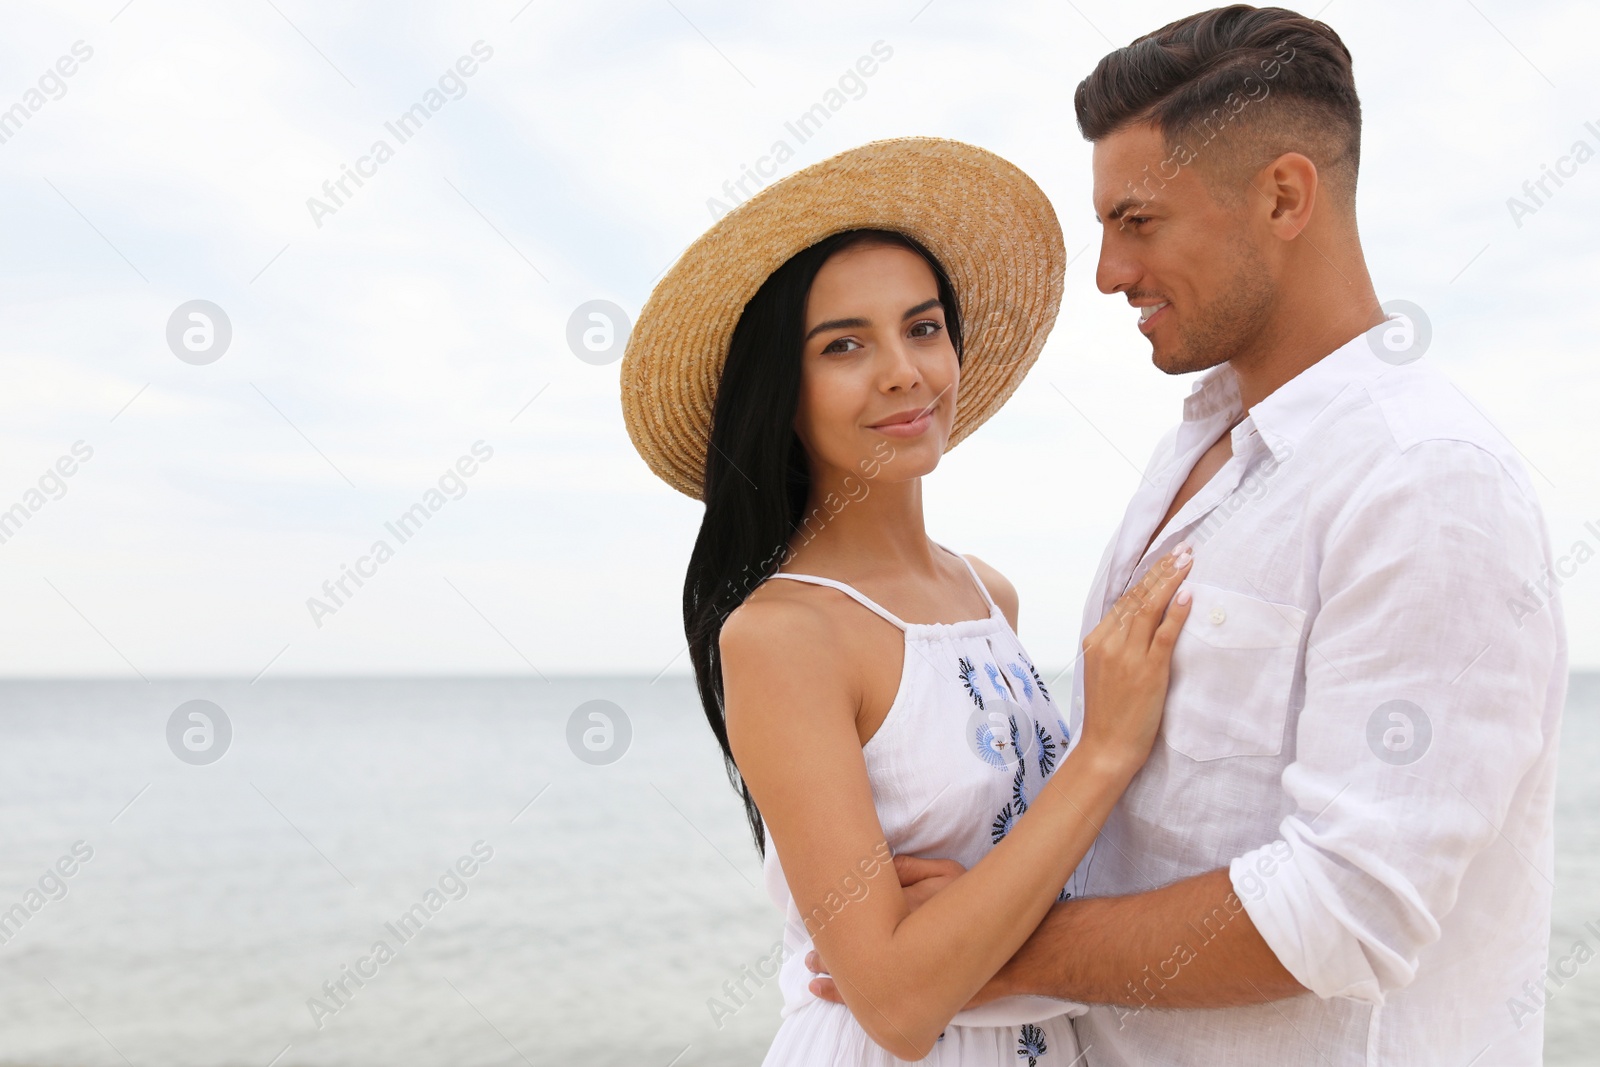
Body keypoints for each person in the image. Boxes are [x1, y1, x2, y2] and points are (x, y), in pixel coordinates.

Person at [803, 7, 1568, 1064]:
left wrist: (992, 946)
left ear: (1283, 195)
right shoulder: (1200, 446)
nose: (1109, 270)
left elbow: (1349, 907)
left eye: (1138, 220)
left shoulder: (1422, 480)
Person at [620, 137, 1194, 1063]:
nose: (903, 371)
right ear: (783, 393)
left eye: (922, 328)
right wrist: (1105, 751)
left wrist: (967, 911)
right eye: (844, 344)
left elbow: (1005, 891)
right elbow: (895, 1002)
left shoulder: (987, 593)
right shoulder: (782, 634)